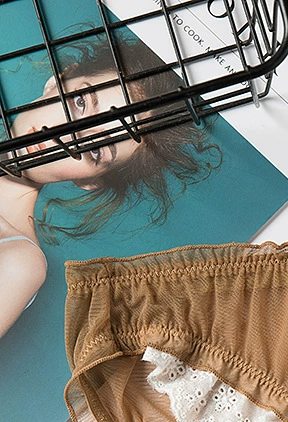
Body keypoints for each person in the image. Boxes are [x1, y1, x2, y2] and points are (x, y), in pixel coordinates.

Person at [0, 35, 221, 339]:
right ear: (58, 81)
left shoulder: (20, 262)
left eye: (95, 150)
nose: (66, 135)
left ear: (90, 181)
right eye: (80, 103)